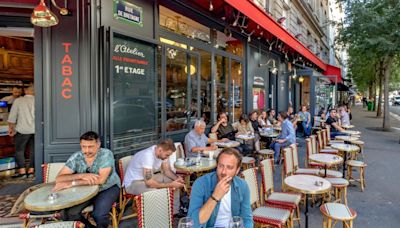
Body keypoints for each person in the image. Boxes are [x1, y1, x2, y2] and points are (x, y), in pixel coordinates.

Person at [53, 131, 120, 228]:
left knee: (99, 215)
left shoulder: (106, 154)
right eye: (84, 146)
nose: (87, 150)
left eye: (90, 146)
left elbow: (101, 180)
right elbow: (59, 178)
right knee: (69, 213)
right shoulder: (77, 157)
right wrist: (81, 175)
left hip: (107, 188)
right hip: (85, 190)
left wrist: (71, 183)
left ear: (98, 144)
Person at [188, 148, 253, 227]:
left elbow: (247, 219)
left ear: (237, 170)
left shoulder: (242, 186)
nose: (223, 172)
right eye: (221, 166)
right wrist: (215, 197)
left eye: (229, 167)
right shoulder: (200, 184)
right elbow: (193, 223)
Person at [123, 139, 184, 214]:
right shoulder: (147, 156)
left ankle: (174, 212)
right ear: (160, 150)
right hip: (133, 183)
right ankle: (158, 217)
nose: (167, 157)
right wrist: (171, 185)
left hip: (148, 178)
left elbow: (167, 170)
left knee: (175, 183)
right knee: (156, 193)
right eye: (167, 155)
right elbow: (149, 183)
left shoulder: (162, 154)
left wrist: (178, 179)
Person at [8, 85, 35, 178]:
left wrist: (11, 128)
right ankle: (31, 171)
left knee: (19, 150)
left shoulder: (19, 101)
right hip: (36, 130)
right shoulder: (39, 100)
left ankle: (22, 172)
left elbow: (12, 116)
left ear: (25, 90)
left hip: (22, 130)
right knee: (34, 150)